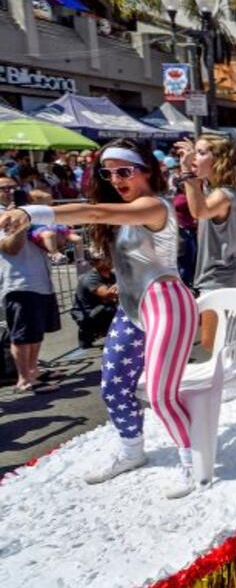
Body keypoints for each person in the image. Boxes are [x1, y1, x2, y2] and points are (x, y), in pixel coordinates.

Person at [1, 140, 200, 496]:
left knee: (160, 392)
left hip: (167, 303)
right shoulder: (126, 210)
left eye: (124, 171)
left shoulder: (154, 205)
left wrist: (35, 213)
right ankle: (131, 451)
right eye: (107, 173)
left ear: (146, 171)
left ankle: (192, 463)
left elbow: (94, 213)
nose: (115, 179)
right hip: (132, 308)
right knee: (113, 385)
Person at [176, 134, 236, 350]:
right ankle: (233, 379)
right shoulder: (224, 191)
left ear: (218, 160)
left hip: (220, 278)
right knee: (228, 343)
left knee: (215, 343)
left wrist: (187, 174)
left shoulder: (224, 194)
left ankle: (231, 381)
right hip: (228, 274)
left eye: (201, 153)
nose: (193, 157)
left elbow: (199, 211)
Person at [0, 175, 61, 393]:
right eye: (3, 188)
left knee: (36, 332)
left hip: (40, 280)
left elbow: (51, 241)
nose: (8, 192)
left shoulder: (27, 211)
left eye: (12, 188)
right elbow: (10, 248)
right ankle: (23, 379)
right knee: (23, 335)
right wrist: (21, 225)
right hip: (18, 281)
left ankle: (33, 371)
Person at [70, 251, 118, 349]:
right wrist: (122, 285)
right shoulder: (91, 278)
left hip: (100, 308)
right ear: (95, 263)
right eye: (104, 259)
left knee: (114, 307)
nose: (110, 261)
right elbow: (107, 295)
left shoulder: (112, 275)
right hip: (87, 313)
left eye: (109, 258)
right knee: (108, 309)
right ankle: (88, 332)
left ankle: (100, 333)